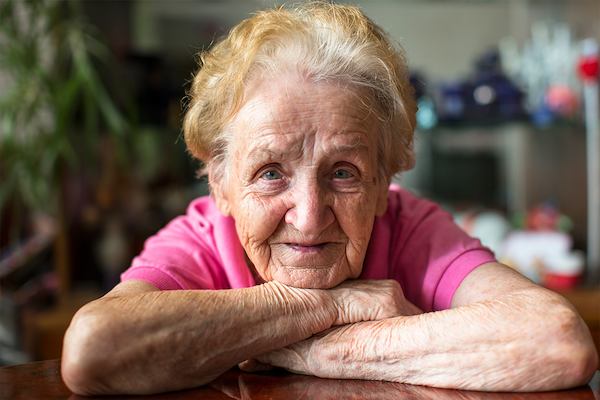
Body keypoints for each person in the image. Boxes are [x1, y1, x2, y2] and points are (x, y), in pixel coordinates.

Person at [61, 2, 598, 395]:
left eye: (344, 172)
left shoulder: (409, 225)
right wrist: (334, 305)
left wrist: (317, 349)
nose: (310, 216)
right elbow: (93, 351)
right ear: (219, 182)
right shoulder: (202, 239)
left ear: (388, 174)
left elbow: (557, 341)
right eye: (270, 173)